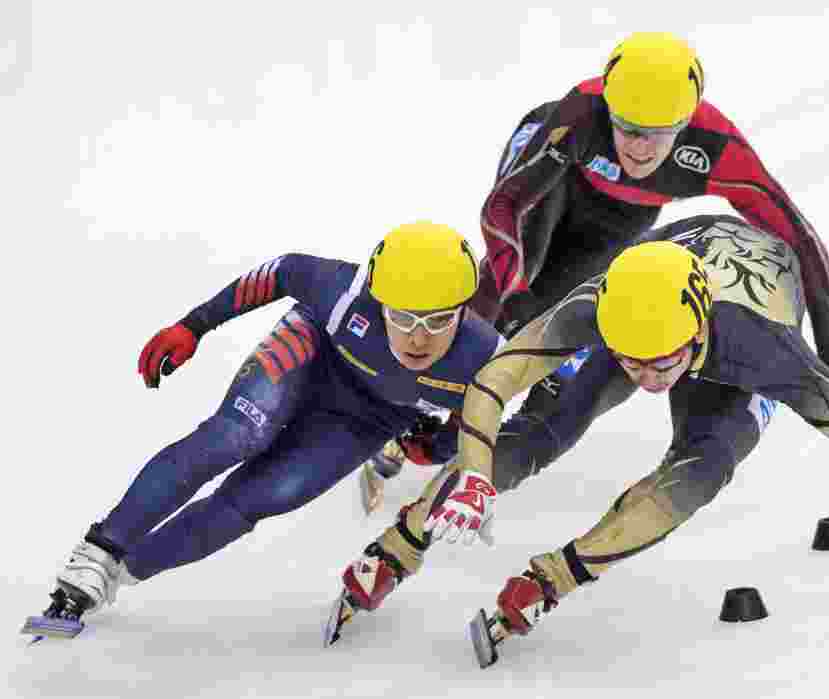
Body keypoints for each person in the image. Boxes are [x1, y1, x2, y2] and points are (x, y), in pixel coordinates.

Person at [327, 214, 829, 662]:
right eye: (633, 363)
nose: (649, 380)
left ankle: (551, 579)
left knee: (702, 465)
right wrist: (474, 474)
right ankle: (392, 553)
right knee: (544, 427)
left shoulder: (764, 350)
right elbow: (496, 380)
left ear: (695, 333)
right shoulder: (605, 305)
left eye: (662, 364)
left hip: (741, 327)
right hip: (657, 273)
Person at [366, 30, 829, 494]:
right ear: (608, 108)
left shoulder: (718, 148)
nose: (637, 146)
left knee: (571, 305)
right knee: (511, 294)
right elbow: (503, 208)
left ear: (688, 122)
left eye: (658, 133)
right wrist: (514, 291)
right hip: (551, 181)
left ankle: (461, 432)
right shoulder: (583, 114)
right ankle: (411, 398)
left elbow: (801, 240)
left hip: (623, 217)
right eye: (626, 127)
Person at [25, 222, 505, 637]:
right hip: (313, 350)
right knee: (238, 434)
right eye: (401, 316)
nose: (419, 336)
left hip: (367, 419)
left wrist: (437, 445)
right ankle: (99, 550)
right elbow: (283, 269)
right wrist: (195, 325)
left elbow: (485, 421)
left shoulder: (486, 359)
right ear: (376, 301)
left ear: (465, 311)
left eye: (440, 320)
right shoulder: (341, 293)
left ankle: (123, 572)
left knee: (264, 496)